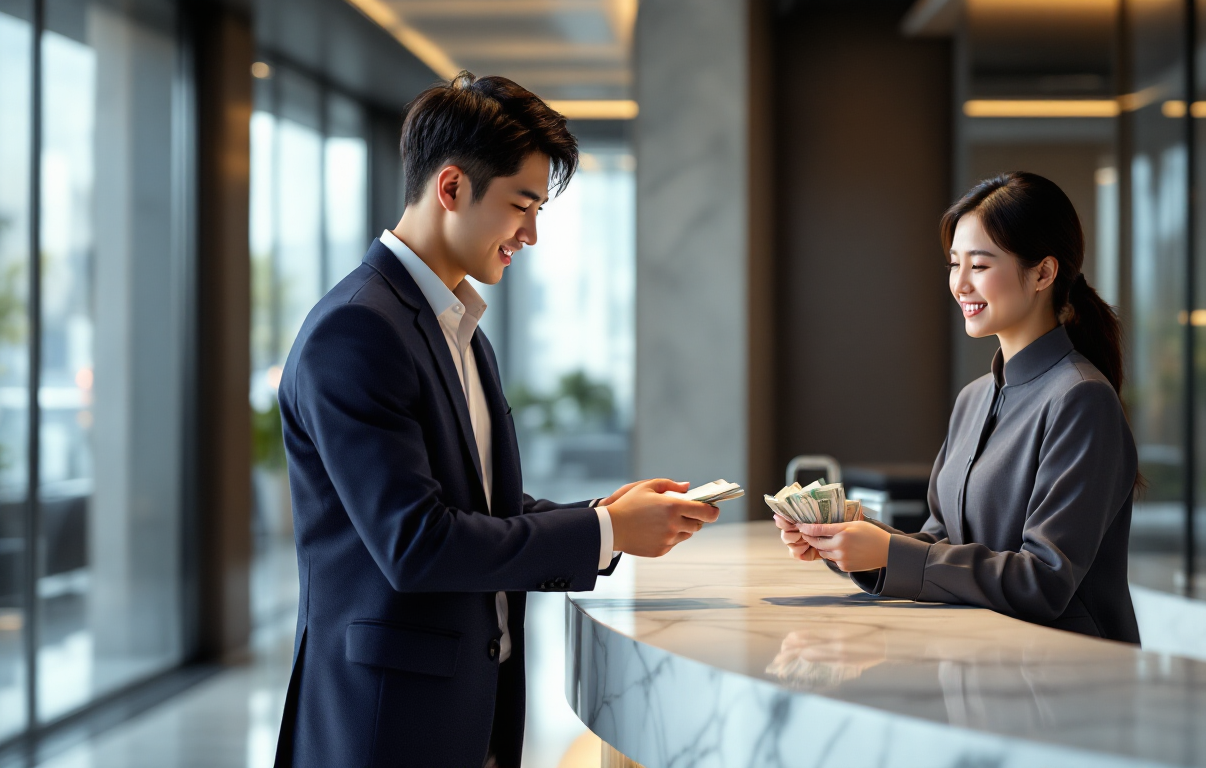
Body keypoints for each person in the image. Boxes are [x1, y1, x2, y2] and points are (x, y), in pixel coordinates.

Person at [273, 73, 719, 768]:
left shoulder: (459, 327)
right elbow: (417, 544)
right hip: (384, 727)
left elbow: (476, 507)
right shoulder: (358, 330)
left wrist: (609, 515)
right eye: (522, 205)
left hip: (462, 708)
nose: (532, 234)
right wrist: (602, 531)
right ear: (451, 189)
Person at [776, 172, 1140, 644]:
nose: (960, 284)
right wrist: (850, 537)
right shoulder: (974, 398)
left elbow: (1045, 580)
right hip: (982, 660)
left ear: (1044, 273)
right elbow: (943, 544)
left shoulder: (1081, 398)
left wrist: (888, 551)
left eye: (980, 266)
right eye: (954, 264)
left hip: (1065, 674)